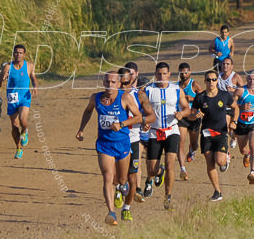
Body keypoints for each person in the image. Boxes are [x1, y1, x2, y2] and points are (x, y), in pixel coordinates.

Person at [76, 70, 143, 226]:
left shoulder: (125, 97)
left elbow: (139, 117)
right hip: (104, 144)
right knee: (107, 177)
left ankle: (122, 186)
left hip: (123, 143)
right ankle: (111, 213)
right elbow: (87, 111)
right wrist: (81, 129)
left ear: (119, 84)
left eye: (113, 82)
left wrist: (122, 124)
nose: (109, 85)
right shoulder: (96, 98)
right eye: (107, 82)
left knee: (120, 180)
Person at [142, 61, 191, 210]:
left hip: (171, 131)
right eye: (159, 74)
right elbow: (141, 110)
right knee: (152, 170)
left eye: (164, 74)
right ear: (155, 74)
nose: (162, 76)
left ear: (169, 74)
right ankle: (159, 172)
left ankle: (167, 197)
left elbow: (186, 108)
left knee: (171, 164)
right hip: (154, 132)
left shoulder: (176, 90)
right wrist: (145, 121)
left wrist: (181, 114)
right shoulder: (148, 90)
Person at [191, 71, 236, 201]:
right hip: (206, 133)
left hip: (221, 133)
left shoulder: (224, 95)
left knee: (219, 161)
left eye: (214, 79)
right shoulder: (200, 97)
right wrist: (195, 116)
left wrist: (234, 121)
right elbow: (191, 114)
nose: (211, 82)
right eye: (208, 80)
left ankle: (225, 158)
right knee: (209, 162)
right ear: (204, 81)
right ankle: (217, 191)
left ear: (217, 81)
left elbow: (235, 108)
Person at [121, 62, 155, 219]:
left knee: (134, 174)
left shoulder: (139, 94)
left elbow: (151, 115)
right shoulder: (112, 94)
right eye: (121, 82)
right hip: (116, 139)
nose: (124, 85)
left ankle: (127, 206)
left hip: (134, 136)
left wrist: (146, 122)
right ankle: (120, 187)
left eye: (127, 81)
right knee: (116, 175)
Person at [5, 44, 38, 159]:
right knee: (14, 125)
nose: (18, 55)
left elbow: (33, 78)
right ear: (13, 53)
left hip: (24, 97)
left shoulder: (29, 66)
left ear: (24, 54)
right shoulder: (8, 67)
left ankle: (24, 131)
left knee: (23, 120)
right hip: (12, 97)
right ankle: (19, 149)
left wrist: (35, 86)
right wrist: (2, 78)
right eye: (16, 52)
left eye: (20, 53)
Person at [176, 62, 203, 181]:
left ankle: (192, 150)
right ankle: (183, 169)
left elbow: (204, 98)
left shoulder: (194, 85)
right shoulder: (176, 86)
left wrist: (192, 98)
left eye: (186, 72)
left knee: (195, 144)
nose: (184, 74)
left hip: (194, 117)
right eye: (182, 72)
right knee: (180, 142)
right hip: (182, 117)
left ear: (190, 72)